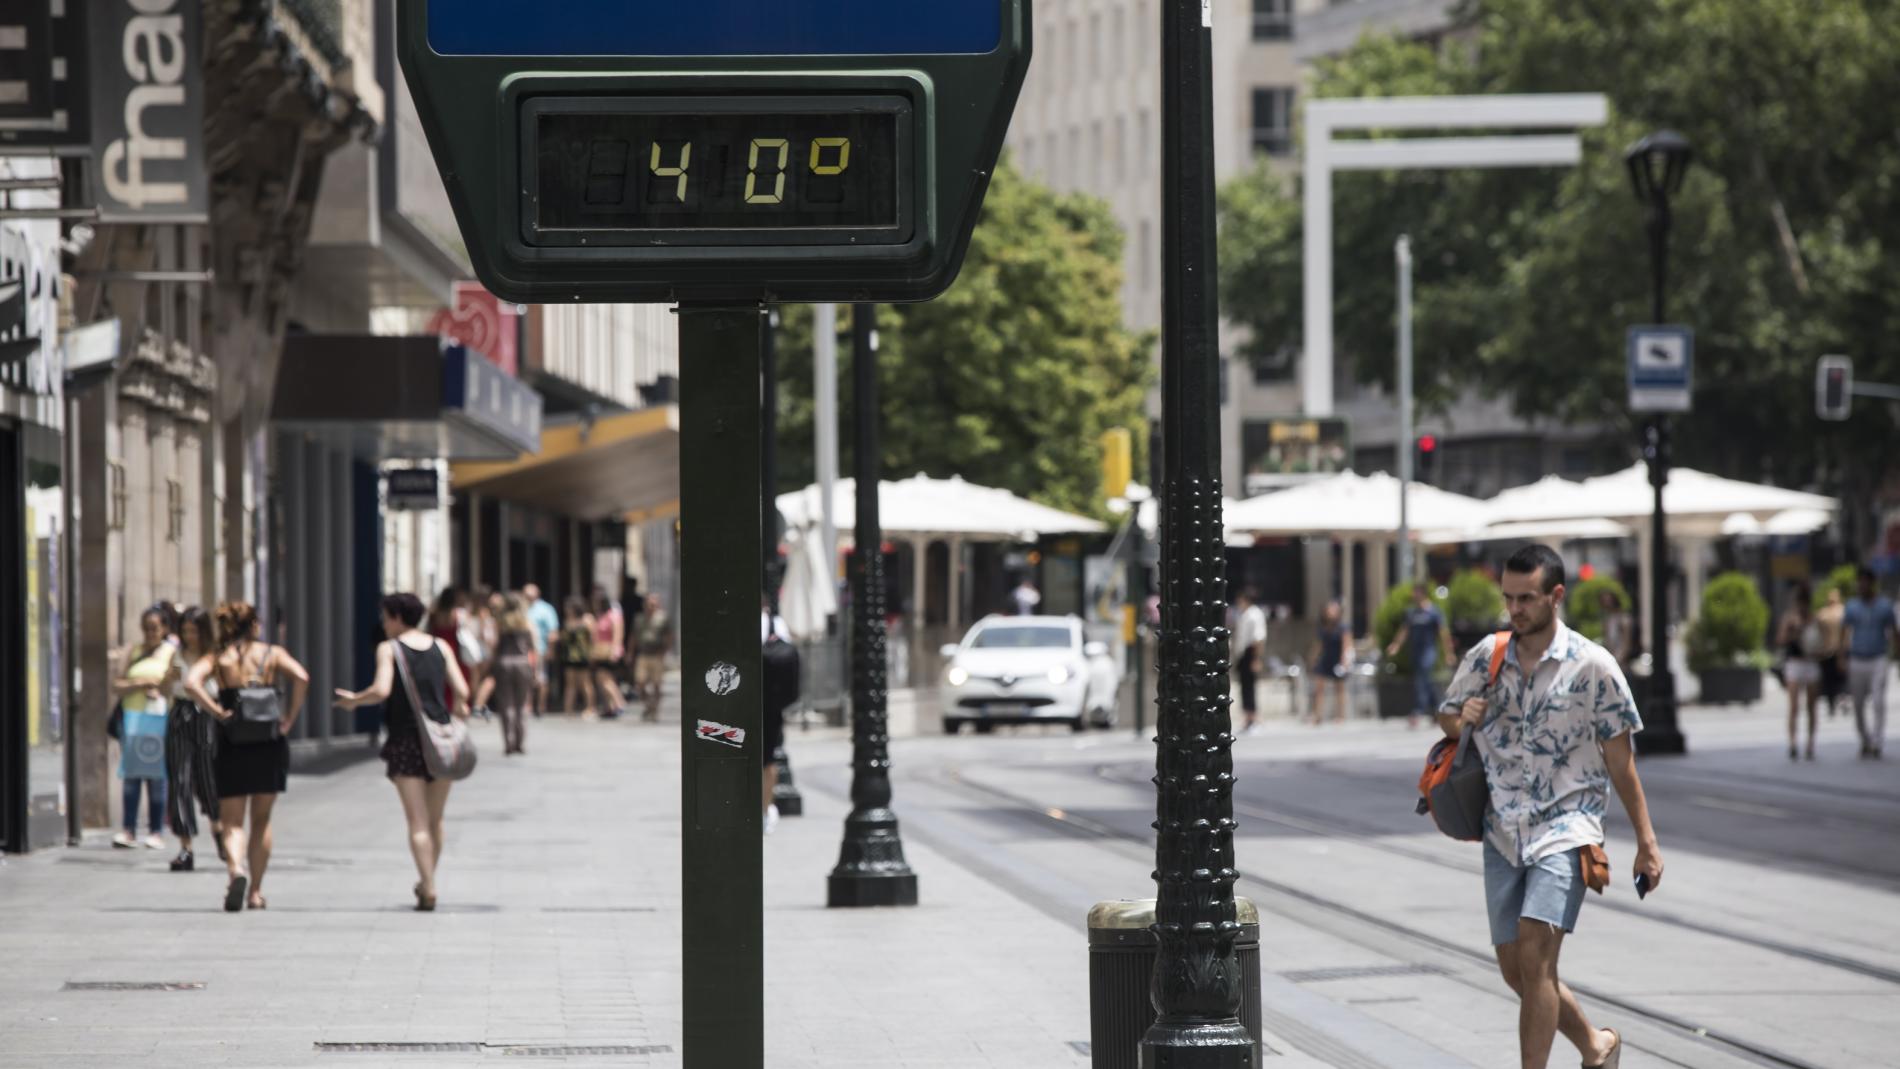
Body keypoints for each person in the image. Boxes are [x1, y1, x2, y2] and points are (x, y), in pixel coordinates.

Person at [1438, 545, 1661, 1069]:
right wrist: (1462, 716)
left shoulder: (1593, 666)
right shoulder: (1487, 657)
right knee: (1516, 970)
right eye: (1508, 598)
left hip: (1567, 828)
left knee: (1537, 958)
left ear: (1556, 596)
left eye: (1526, 598)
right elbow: (1447, 718)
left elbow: (1620, 761)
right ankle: (1595, 1045)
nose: (1514, 610)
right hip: (1501, 829)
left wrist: (1646, 842)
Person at [334, 593, 472, 911]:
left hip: (407, 739)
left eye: (385, 617)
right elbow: (463, 692)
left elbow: (382, 690)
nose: (383, 623)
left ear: (397, 617)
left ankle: (430, 886)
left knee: (418, 822)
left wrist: (354, 700)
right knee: (435, 821)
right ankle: (427, 882)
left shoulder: (389, 648)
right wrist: (454, 717)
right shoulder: (441, 646)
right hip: (441, 740)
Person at [183, 602, 310, 912]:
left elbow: (190, 683)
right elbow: (302, 677)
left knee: (232, 822)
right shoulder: (272, 654)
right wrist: (289, 718)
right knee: (262, 820)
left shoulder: (218, 657)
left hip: (231, 739)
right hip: (268, 740)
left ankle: (234, 871)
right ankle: (255, 891)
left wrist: (214, 709)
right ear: (254, 624)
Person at [111, 607, 176, 850]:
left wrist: (160, 687)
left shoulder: (172, 654)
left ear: (165, 629)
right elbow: (116, 685)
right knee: (132, 775)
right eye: (146, 628)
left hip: (159, 720)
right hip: (133, 719)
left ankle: (156, 830)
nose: (150, 633)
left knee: (157, 775)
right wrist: (139, 683)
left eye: (155, 628)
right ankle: (128, 829)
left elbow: (177, 685)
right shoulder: (133, 651)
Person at [162, 607, 221, 871]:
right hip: (180, 713)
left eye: (194, 631)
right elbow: (166, 688)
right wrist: (168, 678)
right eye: (185, 631)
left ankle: (220, 832)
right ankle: (186, 847)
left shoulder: (214, 657)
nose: (189, 636)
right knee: (180, 780)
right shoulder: (176, 655)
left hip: (207, 714)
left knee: (208, 777)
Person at [1842, 567, 1896, 759]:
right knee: (1857, 704)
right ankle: (1864, 738)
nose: (1862, 585)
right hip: (1857, 658)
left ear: (1872, 583)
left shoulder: (1884, 606)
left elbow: (1894, 632)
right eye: (1860, 582)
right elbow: (1845, 631)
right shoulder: (1852, 606)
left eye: (1865, 582)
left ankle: (1877, 741)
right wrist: (1842, 656)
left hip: (1878, 658)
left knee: (1879, 701)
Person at [1387, 582, 1452, 731]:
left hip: (1429, 651)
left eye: (1416, 592)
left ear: (1422, 594)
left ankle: (1417, 711)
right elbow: (1404, 630)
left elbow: (1443, 633)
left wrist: (1448, 653)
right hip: (1415, 651)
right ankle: (1438, 709)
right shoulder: (1412, 613)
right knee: (1425, 680)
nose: (1413, 596)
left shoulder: (1434, 612)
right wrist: (1395, 645)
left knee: (1422, 678)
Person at [761, 603, 799, 835]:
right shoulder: (777, 623)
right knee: (769, 760)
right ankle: (765, 810)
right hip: (773, 704)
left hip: (751, 701)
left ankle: (759, 808)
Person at [1775, 582, 1822, 761]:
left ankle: (1810, 743)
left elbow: (1823, 643)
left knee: (1811, 706)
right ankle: (1793, 743)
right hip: (1794, 663)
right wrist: (1793, 631)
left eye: (1805, 602)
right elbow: (1780, 640)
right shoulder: (1790, 619)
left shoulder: (1815, 618)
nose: (1802, 606)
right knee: (1794, 706)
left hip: (1810, 663)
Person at [490, 594, 538, 755]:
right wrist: (536, 670)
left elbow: (494, 646)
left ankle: (508, 742)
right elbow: (533, 648)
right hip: (522, 663)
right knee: (521, 705)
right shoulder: (526, 623)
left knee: (506, 705)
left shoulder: (501, 624)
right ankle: (520, 742)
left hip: (504, 662)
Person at [1231, 591, 1268, 734]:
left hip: (1250, 653)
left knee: (1249, 687)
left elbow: (1258, 638)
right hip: (1243, 654)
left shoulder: (1254, 614)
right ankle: (1248, 718)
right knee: (1245, 686)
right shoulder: (1245, 615)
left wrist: (1256, 659)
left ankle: (1253, 718)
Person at [1308, 600, 1350, 726]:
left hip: (1338, 659)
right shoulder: (1324, 628)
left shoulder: (1343, 627)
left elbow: (1346, 645)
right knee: (1319, 688)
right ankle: (1317, 715)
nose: (1330, 613)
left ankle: (1340, 716)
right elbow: (1319, 645)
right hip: (1325, 659)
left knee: (1339, 689)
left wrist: (1345, 662)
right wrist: (1312, 658)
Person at [632, 593, 671, 722]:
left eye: (653, 604)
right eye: (649, 603)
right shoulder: (639, 618)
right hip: (643, 654)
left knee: (656, 685)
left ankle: (655, 710)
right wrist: (629, 652)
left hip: (656, 655)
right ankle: (649, 705)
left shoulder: (662, 618)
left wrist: (664, 651)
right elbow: (633, 636)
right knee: (640, 683)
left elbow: (668, 636)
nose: (651, 606)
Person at [589, 589, 627, 719]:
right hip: (600, 651)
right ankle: (609, 707)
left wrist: (615, 651)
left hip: (609, 651)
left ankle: (619, 703)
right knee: (603, 680)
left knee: (605, 680)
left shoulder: (614, 615)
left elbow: (618, 634)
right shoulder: (600, 616)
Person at [523, 583, 560, 716]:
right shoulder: (522, 608)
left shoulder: (546, 609)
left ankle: (541, 706)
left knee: (541, 677)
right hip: (523, 650)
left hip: (540, 649)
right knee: (526, 677)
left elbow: (553, 632)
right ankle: (528, 705)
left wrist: (551, 650)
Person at [560, 595, 598, 717]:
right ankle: (568, 709)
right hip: (570, 656)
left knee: (585, 682)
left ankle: (590, 707)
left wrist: (593, 653)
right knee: (570, 683)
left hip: (583, 655)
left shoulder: (587, 619)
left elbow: (593, 638)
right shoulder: (568, 620)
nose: (567, 610)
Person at [1815, 586, 1848, 718]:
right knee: (1840, 678)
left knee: (1831, 680)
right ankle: (1840, 701)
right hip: (1837, 649)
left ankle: (1833, 704)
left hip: (1828, 650)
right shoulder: (1843, 612)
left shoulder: (1822, 614)